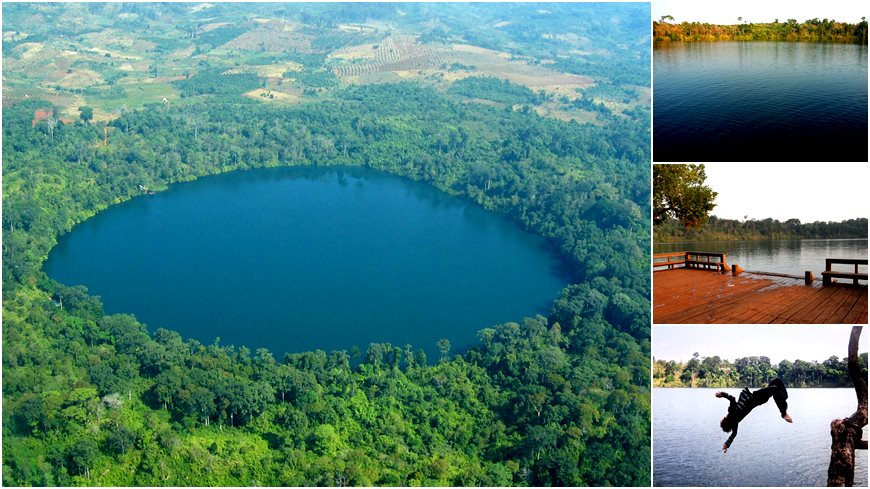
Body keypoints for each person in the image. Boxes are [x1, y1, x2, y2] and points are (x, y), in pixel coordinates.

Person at [716, 378, 793, 453]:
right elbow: (732, 398)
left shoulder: (735, 422)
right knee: (775, 388)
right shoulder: (732, 412)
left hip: (758, 400)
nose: (722, 417)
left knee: (777, 382)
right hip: (756, 397)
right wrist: (722, 394)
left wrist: (727, 444)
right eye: (722, 419)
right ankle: (784, 413)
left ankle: (783, 397)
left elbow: (734, 434)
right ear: (726, 420)